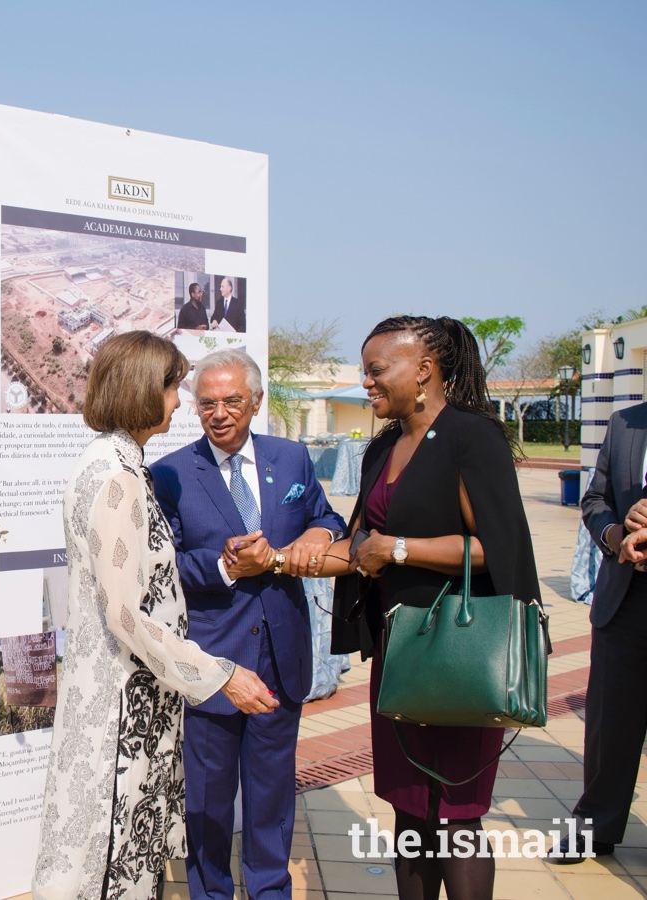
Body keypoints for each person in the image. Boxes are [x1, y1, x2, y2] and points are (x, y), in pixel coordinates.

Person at [33, 331, 272, 900]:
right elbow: (126, 614)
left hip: (125, 691)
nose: (179, 401)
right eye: (173, 387)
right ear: (144, 389)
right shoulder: (118, 477)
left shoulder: (115, 463)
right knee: (112, 865)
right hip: (125, 705)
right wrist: (219, 675)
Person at [321, 315, 541, 899]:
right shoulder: (383, 447)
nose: (367, 382)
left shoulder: (472, 437)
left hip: (463, 648)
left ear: (424, 370)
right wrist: (280, 558)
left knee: (458, 818)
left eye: (376, 370)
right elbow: (359, 542)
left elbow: (498, 548)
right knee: (409, 811)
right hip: (401, 650)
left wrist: (397, 549)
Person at [150, 349, 346, 900]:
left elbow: (324, 517)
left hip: (282, 657)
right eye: (207, 403)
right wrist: (223, 565)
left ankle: (268, 891)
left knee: (271, 795)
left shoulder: (291, 459)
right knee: (208, 801)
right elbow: (162, 567)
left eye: (232, 401)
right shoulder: (169, 475)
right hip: (213, 661)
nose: (219, 413)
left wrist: (320, 536)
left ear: (256, 402)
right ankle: (211, 893)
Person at [549, 400, 647, 862]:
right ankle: (596, 826)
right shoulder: (626, 422)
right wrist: (616, 535)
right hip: (625, 598)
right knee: (610, 723)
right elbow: (595, 501)